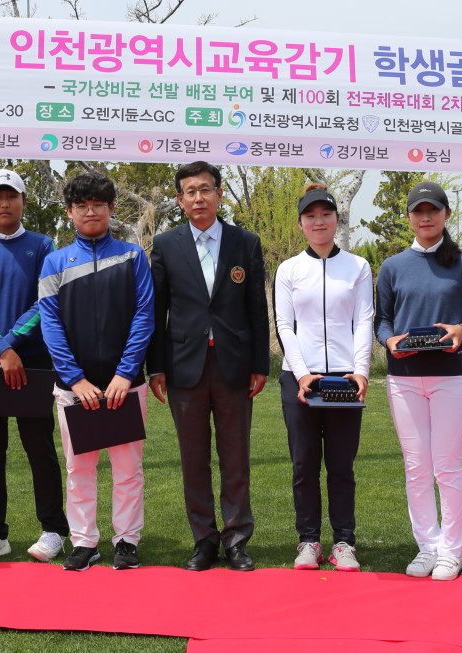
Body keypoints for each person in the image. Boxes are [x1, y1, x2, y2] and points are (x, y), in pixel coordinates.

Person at [147, 161, 270, 572]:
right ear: (180, 200)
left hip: (234, 364)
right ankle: (204, 540)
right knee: (193, 459)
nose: (199, 198)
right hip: (184, 367)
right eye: (190, 191)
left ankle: (236, 540)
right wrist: (156, 367)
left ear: (218, 194)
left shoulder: (245, 242)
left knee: (236, 458)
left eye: (206, 189)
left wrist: (260, 364)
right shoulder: (166, 244)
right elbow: (157, 310)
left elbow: (257, 308)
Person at [38, 172, 154, 572]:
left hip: (126, 385)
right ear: (69, 212)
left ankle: (127, 541)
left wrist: (125, 373)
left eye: (99, 204)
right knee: (79, 469)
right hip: (75, 389)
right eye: (82, 206)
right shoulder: (54, 262)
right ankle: (84, 542)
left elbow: (144, 315)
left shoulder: (132, 256)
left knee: (128, 470)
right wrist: (75, 379)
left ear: (111, 208)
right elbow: (50, 324)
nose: (91, 212)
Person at [375, 181, 462, 581]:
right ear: (409, 217)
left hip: (450, 378)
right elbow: (382, 321)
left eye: (433, 210)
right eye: (418, 211)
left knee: (447, 467)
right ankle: (428, 546)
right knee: (416, 467)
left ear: (446, 214)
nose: (426, 217)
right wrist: (389, 341)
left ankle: (451, 551)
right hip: (404, 380)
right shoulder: (392, 267)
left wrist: (461, 330)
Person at [0, 169, 69, 564]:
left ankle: (53, 529)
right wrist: (0, 348)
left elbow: (45, 301)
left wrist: (9, 345)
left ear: (23, 201)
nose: (4, 204)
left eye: (12, 196)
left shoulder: (43, 245)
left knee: (40, 447)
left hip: (31, 361)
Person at [274, 183, 373, 572]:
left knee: (341, 465)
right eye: (311, 216)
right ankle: (309, 541)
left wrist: (361, 370)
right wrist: (302, 374)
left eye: (326, 215)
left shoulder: (358, 267)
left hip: (345, 380)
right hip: (300, 380)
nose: (319, 222)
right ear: (301, 223)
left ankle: (344, 542)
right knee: (304, 465)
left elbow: (363, 320)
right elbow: (285, 325)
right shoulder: (289, 269)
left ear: (337, 220)